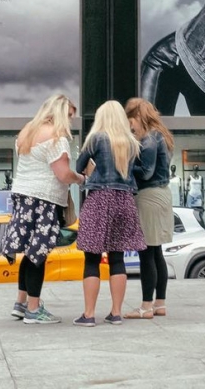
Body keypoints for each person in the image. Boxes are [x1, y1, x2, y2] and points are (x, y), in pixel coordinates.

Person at [1, 94, 84, 325]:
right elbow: (63, 174)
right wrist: (80, 178)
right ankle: (34, 309)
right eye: (68, 115)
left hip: (22, 196)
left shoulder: (26, 131)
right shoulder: (56, 137)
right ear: (58, 113)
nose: (70, 120)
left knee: (29, 252)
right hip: (44, 200)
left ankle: (21, 302)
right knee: (38, 254)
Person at [73, 100, 145, 327]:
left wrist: (92, 170)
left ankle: (89, 314)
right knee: (117, 257)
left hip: (99, 199)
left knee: (92, 258)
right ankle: (116, 313)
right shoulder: (132, 143)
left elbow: (78, 166)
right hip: (124, 200)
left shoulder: (97, 139)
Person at [123, 98, 175, 319]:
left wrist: (125, 161)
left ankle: (145, 307)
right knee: (156, 253)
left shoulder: (150, 138)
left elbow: (145, 172)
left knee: (146, 255)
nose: (130, 126)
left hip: (149, 197)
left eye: (130, 121)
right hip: (161, 195)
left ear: (137, 117)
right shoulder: (161, 134)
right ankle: (159, 304)